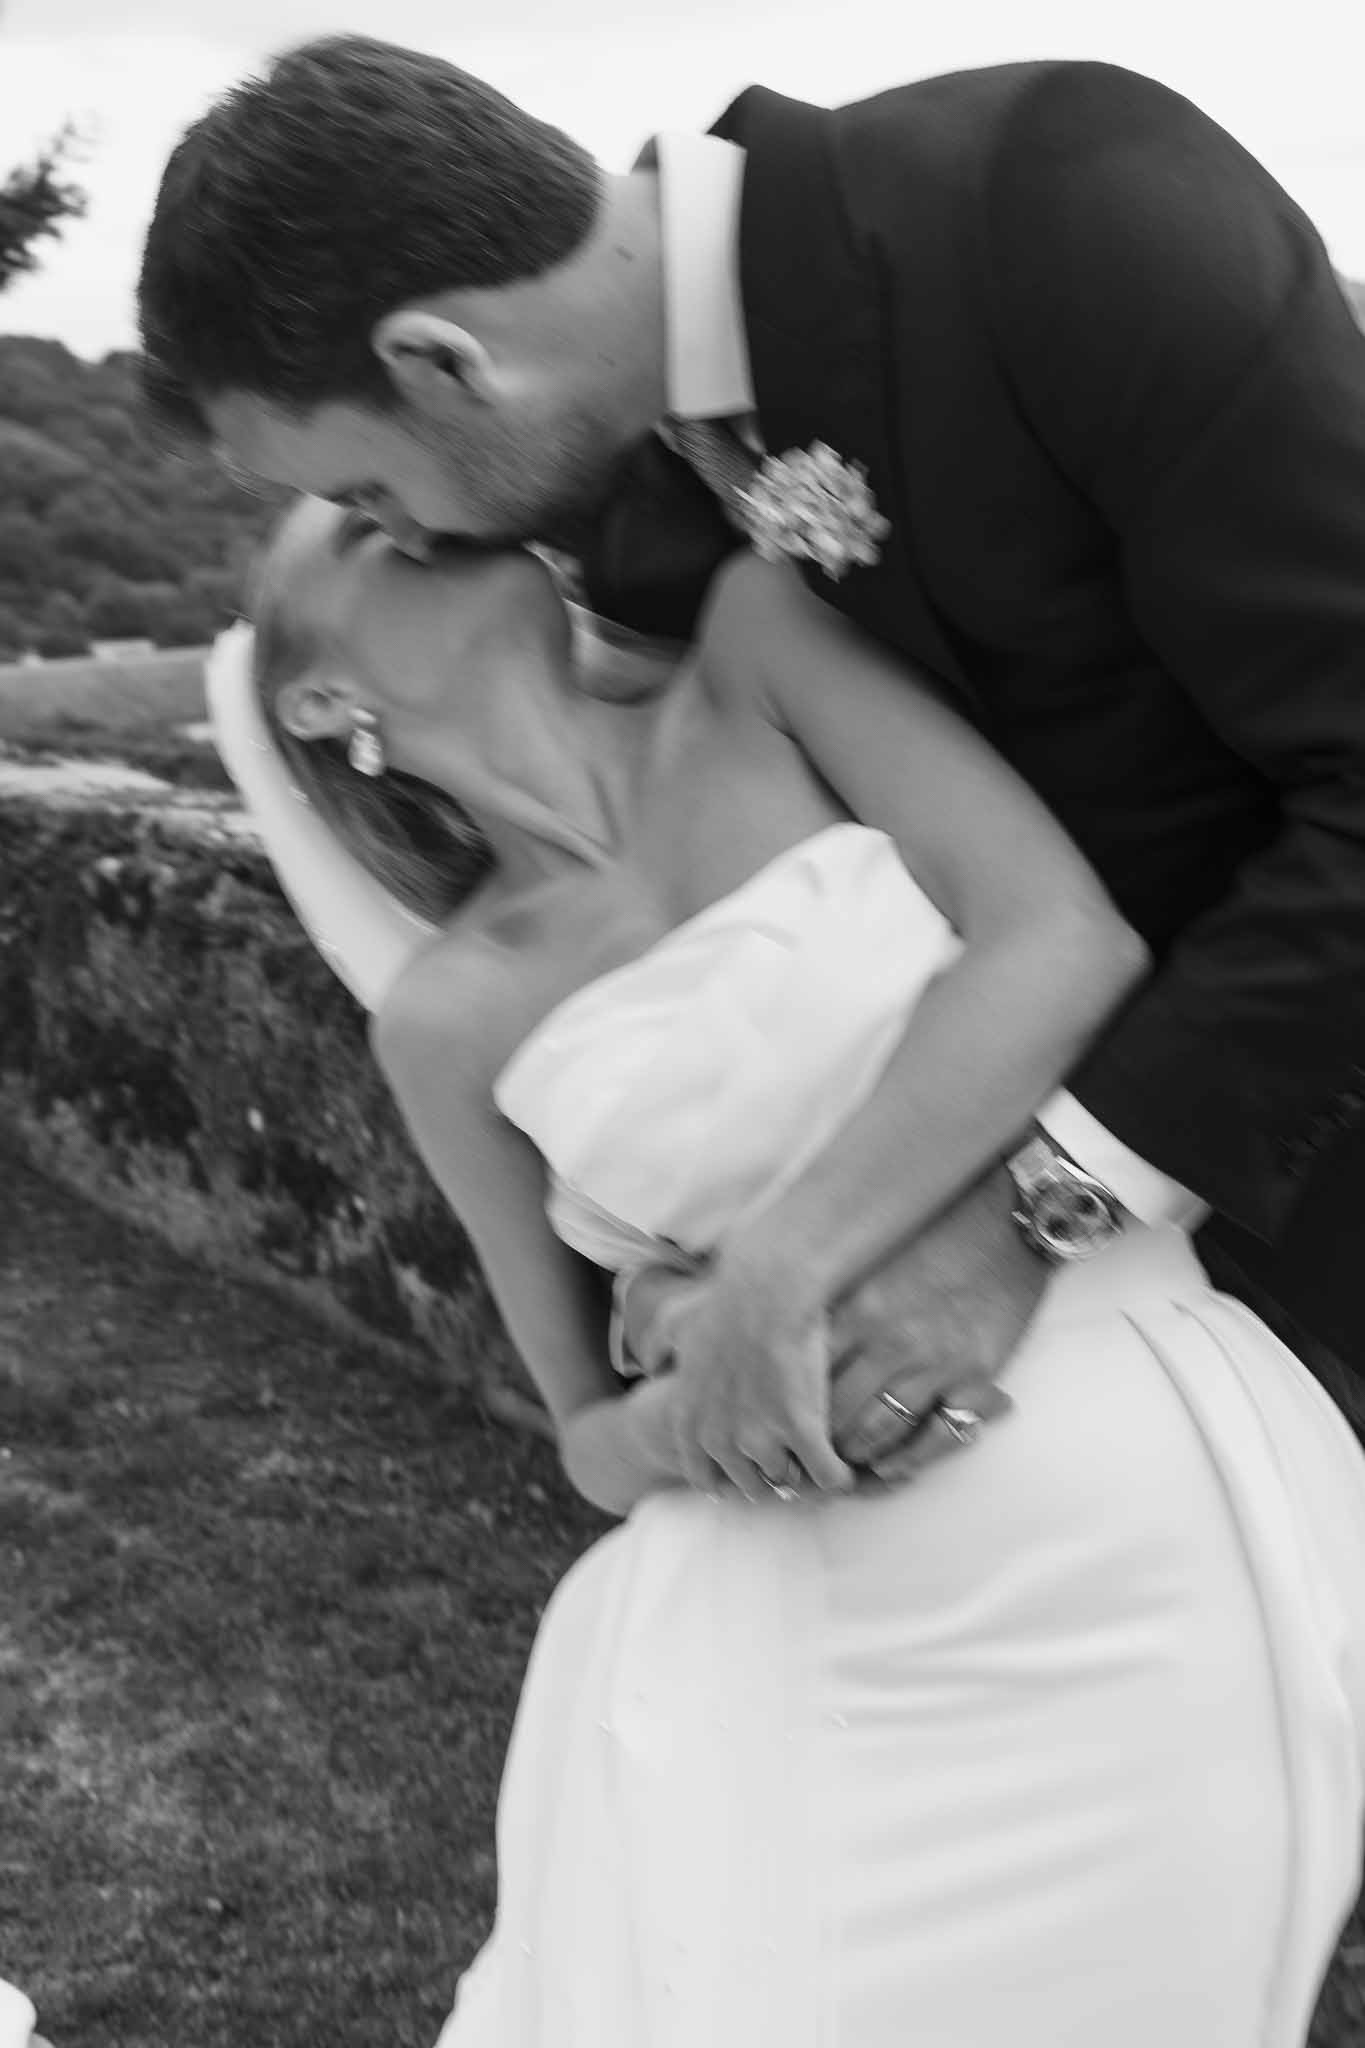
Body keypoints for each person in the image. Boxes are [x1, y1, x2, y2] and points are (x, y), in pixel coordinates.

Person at [208, 492, 1365, 2046]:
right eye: (346, 535)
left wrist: (762, 1277)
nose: (389, 517)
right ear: (324, 700)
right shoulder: (447, 1023)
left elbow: (1068, 946)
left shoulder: (758, 648)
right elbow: (585, 1441)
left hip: (1143, 1519)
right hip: (808, 1614)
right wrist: (690, 1406)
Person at [138, 35, 1365, 1468]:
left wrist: (1030, 1214)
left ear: (440, 359)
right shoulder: (637, 532)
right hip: (1146, 1357)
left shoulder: (1051, 186)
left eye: (366, 486)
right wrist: (688, 1254)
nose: (410, 538)